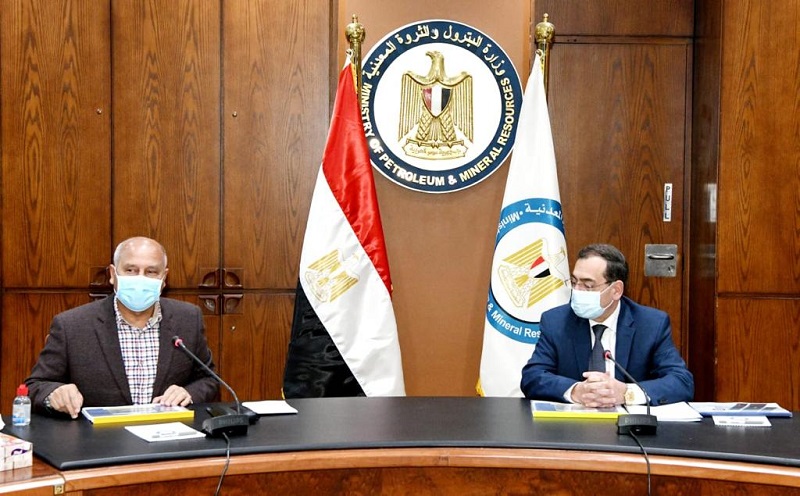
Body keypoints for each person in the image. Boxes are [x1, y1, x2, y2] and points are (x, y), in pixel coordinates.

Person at [26, 236, 219, 418]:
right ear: (113, 274)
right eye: (131, 270)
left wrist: (189, 392)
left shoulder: (188, 319)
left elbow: (209, 379)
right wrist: (54, 394)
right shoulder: (72, 325)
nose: (140, 278)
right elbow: (34, 386)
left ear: (164, 278)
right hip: (99, 437)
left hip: (169, 433)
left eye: (151, 272)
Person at [520, 243, 693, 407]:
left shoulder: (651, 324)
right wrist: (576, 391)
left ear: (616, 290)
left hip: (629, 425)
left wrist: (626, 393)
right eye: (574, 282)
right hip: (573, 425)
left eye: (588, 285)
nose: (577, 291)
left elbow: (681, 382)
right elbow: (532, 377)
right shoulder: (556, 321)